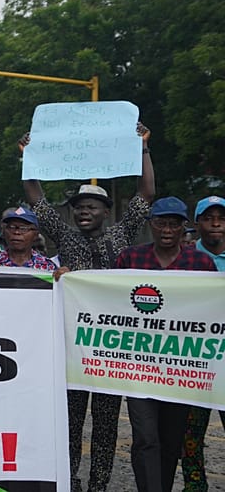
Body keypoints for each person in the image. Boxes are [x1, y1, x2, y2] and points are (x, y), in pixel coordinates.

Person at [20, 122, 154, 492]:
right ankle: (70, 481)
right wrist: (28, 157)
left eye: (90, 207)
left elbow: (146, 194)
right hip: (73, 350)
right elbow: (37, 201)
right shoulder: (64, 236)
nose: (82, 212)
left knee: (108, 424)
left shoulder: (120, 235)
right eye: (78, 207)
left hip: (109, 351)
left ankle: (99, 484)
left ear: (105, 212)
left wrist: (143, 149)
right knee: (70, 421)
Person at [112, 197, 215, 492]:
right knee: (145, 437)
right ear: (151, 225)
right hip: (139, 369)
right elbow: (106, 301)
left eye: (174, 224)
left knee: (171, 440)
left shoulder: (201, 263)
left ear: (185, 227)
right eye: (161, 223)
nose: (167, 230)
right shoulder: (130, 259)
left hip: (181, 369)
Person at [181, 194, 225, 491]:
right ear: (197, 224)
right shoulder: (184, 258)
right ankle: (194, 487)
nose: (216, 223)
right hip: (196, 361)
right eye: (208, 218)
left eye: (221, 218)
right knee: (190, 435)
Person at [0, 207, 59, 271]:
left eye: (23, 228)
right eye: (12, 227)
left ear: (35, 235)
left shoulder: (48, 267)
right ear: (4, 232)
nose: (16, 232)